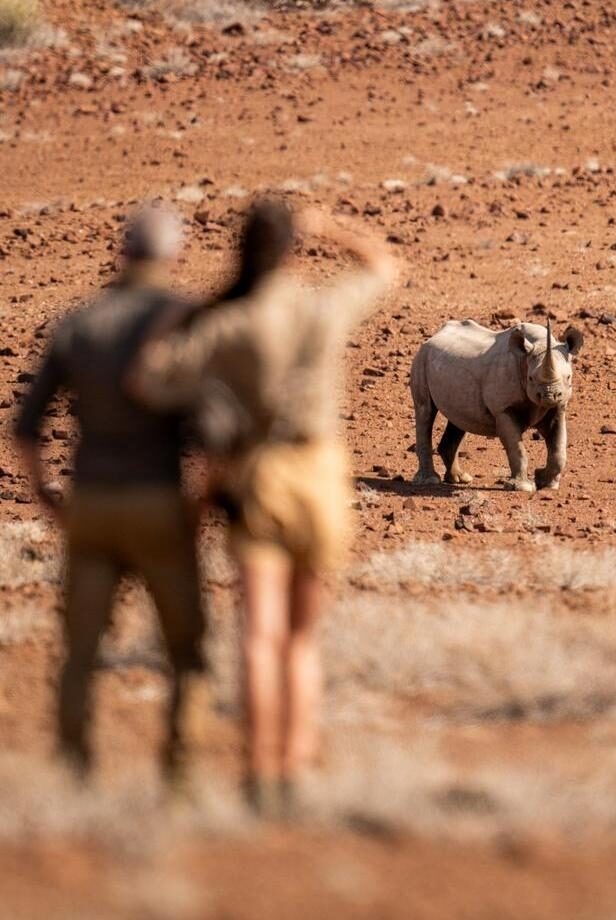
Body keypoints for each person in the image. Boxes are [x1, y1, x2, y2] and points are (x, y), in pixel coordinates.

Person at [131, 199, 398, 816]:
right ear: (290, 251)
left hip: (259, 477)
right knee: (302, 640)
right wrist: (331, 229)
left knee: (260, 634)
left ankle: (258, 772)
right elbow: (385, 266)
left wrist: (183, 311)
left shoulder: (230, 324)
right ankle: (294, 770)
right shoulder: (320, 306)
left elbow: (146, 380)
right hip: (323, 474)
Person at [14, 204, 206, 785]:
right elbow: (219, 433)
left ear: (123, 253)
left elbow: (25, 427)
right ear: (171, 256)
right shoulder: (184, 322)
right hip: (159, 505)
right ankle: (179, 776)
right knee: (186, 650)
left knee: (79, 650)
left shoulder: (78, 322)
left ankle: (76, 770)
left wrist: (46, 493)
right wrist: (199, 501)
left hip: (91, 505)